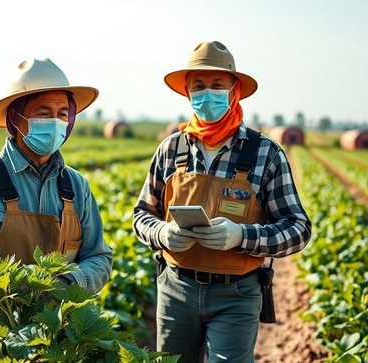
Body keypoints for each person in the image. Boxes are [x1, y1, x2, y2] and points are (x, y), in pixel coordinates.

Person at [133, 41, 312, 362]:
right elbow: (142, 215)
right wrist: (162, 234)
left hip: (237, 293)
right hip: (176, 289)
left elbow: (298, 229)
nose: (207, 93)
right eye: (198, 86)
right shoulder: (171, 149)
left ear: (234, 91)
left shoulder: (264, 152)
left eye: (217, 85)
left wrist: (242, 237)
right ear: (188, 93)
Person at [0, 58, 113, 330]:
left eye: (63, 113)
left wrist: (70, 282)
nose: (55, 121)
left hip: (58, 336)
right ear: (16, 117)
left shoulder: (77, 186)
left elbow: (99, 257)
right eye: (43, 112)